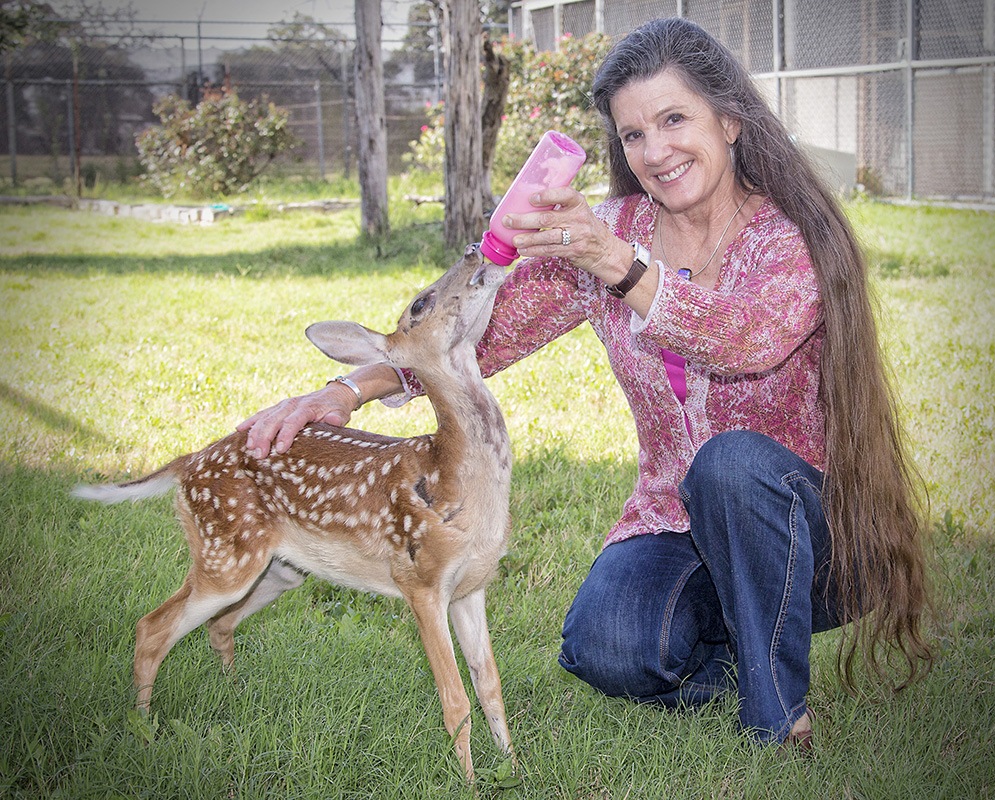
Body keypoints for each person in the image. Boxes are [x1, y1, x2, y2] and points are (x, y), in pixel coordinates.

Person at [238, 17, 933, 750]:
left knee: (730, 464)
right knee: (602, 648)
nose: (655, 151)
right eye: (634, 135)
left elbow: (746, 341)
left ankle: (778, 720)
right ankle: (742, 645)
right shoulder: (609, 228)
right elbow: (486, 332)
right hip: (677, 521)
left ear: (730, 121)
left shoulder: (789, 235)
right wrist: (347, 392)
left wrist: (621, 267)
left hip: (817, 536)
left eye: (674, 120)